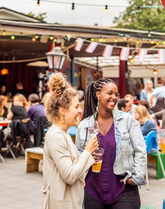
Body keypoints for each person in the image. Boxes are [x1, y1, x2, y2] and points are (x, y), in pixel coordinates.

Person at [76, 78, 147, 208]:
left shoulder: (127, 120)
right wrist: (87, 155)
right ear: (98, 94)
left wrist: (136, 177)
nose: (114, 97)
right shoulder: (85, 125)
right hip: (93, 190)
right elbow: (78, 153)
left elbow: (140, 150)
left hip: (124, 190)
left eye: (116, 94)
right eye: (110, 93)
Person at [42, 73, 98, 209]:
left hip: (69, 200)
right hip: (62, 202)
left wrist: (90, 157)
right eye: (76, 107)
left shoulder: (63, 132)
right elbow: (70, 175)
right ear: (62, 110)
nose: (80, 111)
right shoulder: (56, 136)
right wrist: (87, 151)